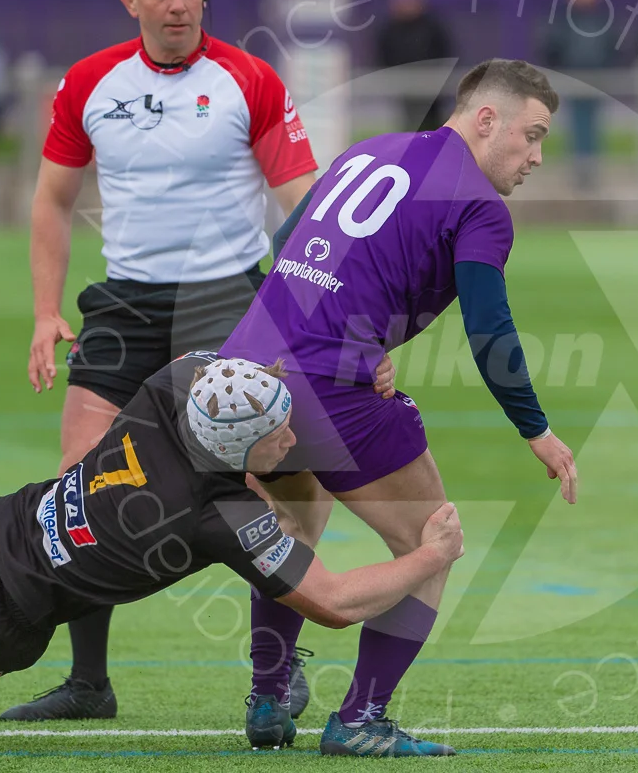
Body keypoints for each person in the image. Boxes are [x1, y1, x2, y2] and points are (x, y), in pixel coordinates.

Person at [0, 354, 466, 735]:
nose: (296, 438)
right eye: (280, 436)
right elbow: (332, 603)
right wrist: (427, 557)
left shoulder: (180, 382)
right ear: (237, 450)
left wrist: (348, 367)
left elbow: (261, 370)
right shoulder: (220, 513)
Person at [216, 58, 578, 756]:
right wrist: (537, 430)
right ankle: (361, 719)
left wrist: (354, 336)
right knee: (432, 542)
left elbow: (288, 247)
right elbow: (489, 330)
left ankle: (267, 698)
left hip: (250, 369)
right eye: (531, 136)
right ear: (484, 119)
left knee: (295, 521)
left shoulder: (370, 149)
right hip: (327, 383)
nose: (535, 157)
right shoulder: (479, 205)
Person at [9, 0, 319, 722]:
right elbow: (50, 201)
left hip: (226, 301)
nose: (178, 4)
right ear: (131, 1)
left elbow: (309, 206)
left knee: (273, 486)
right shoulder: (89, 83)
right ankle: (89, 684)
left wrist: (320, 316)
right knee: (75, 489)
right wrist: (46, 312)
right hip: (123, 302)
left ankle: (273, 676)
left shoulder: (249, 79)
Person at [540, 0, 616, 190]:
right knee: (576, 125)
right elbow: (552, 47)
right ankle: (578, 173)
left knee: (594, 126)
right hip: (572, 81)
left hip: (597, 82)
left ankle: (591, 172)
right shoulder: (562, 18)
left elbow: (612, 47)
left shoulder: (604, 18)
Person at [375, 0, 454, 132]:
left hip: (431, 94)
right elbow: (382, 57)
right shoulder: (389, 30)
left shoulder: (432, 26)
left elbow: (446, 53)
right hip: (401, 93)